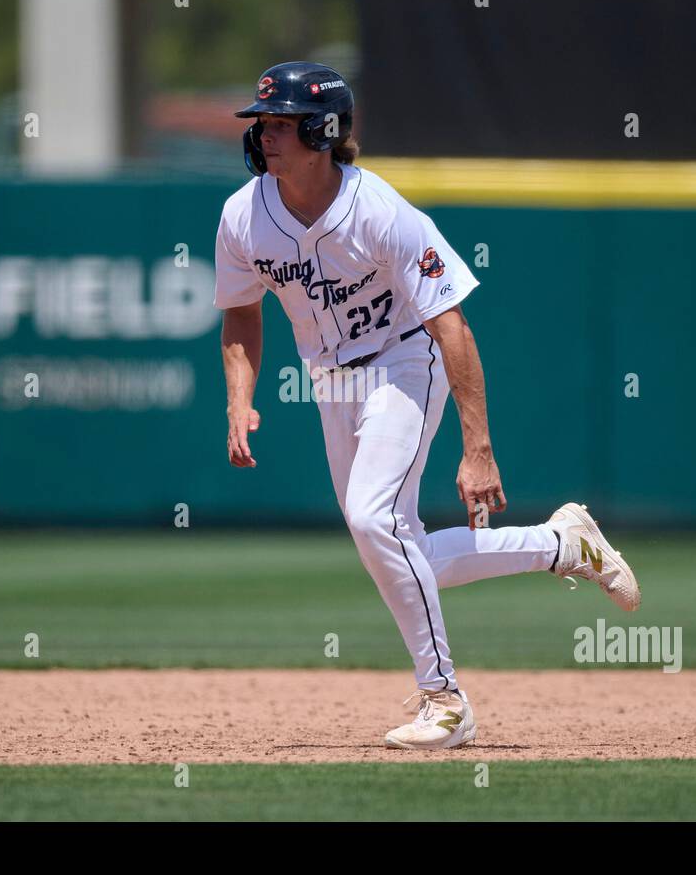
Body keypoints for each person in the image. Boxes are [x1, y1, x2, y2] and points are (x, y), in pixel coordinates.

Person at [214, 61, 640, 750]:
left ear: (324, 130)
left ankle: (445, 699)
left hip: (405, 360)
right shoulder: (243, 216)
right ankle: (563, 544)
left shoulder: (379, 211)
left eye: (282, 123)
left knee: (372, 518)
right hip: (331, 380)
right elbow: (240, 314)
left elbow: (452, 326)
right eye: (261, 123)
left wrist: (478, 450)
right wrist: (240, 400)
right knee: (395, 549)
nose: (265, 136)